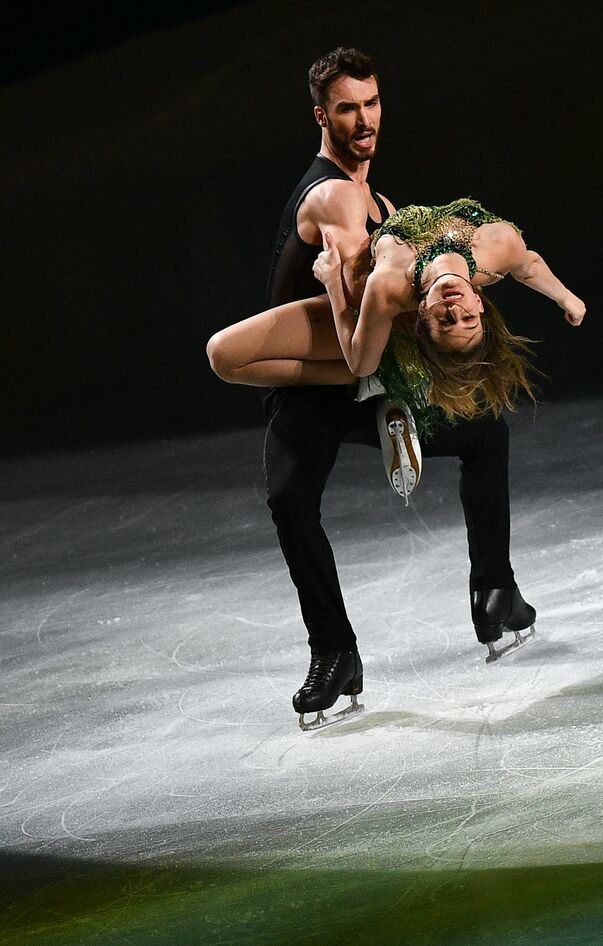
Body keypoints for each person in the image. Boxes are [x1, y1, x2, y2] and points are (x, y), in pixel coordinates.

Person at [206, 48, 580, 730]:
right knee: (291, 500)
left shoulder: (383, 202)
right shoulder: (337, 195)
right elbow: (356, 313)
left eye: (371, 104)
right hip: (317, 385)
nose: (363, 120)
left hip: (369, 381)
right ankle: (334, 652)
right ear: (323, 116)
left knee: (483, 434)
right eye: (346, 109)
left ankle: (495, 593)